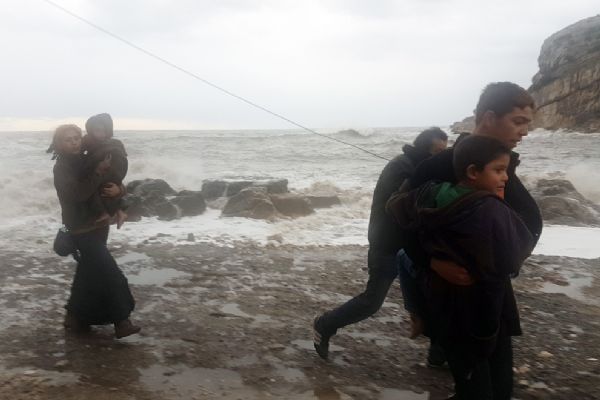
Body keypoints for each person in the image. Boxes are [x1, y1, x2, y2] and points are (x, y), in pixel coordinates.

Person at [389, 81, 542, 399]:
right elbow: (397, 219)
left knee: (500, 387)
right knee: (476, 387)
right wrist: (432, 262)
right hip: (457, 299)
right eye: (518, 122)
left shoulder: (499, 162)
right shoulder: (444, 165)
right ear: (489, 117)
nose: (525, 132)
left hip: (494, 293)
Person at [312, 127, 448, 359]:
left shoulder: (420, 168)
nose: (441, 158)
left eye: (444, 152)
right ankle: (324, 324)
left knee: (434, 295)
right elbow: (402, 205)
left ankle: (438, 351)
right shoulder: (401, 168)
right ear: (423, 149)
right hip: (387, 244)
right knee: (372, 302)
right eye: (438, 152)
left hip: (412, 246)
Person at [49, 124, 140, 339]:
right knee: (111, 274)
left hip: (99, 225)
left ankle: (75, 317)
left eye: (76, 138)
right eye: (68, 139)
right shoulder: (61, 168)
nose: (74, 142)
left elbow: (108, 182)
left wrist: (120, 190)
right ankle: (122, 321)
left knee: (88, 272)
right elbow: (78, 195)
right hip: (80, 229)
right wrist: (98, 173)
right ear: (59, 144)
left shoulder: (85, 159)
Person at [82, 113, 129, 229]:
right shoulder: (86, 143)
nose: (101, 134)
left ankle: (111, 212)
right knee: (100, 190)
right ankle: (116, 211)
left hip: (110, 173)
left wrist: (120, 189)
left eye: (104, 131)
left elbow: (120, 162)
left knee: (105, 189)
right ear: (91, 131)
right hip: (80, 222)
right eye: (97, 130)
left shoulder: (113, 145)